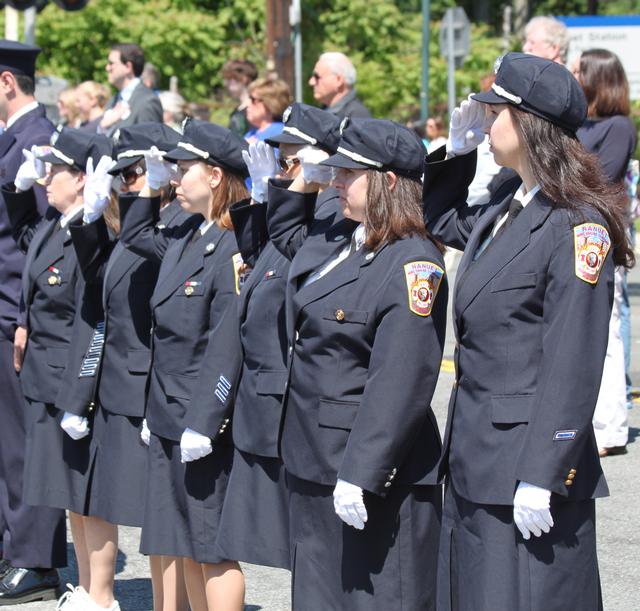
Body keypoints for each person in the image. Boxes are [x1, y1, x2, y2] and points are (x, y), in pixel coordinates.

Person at [422, 51, 633, 611]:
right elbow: (439, 220)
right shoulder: (506, 205)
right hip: (476, 457)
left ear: (529, 124)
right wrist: (457, 152)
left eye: (496, 114)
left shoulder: (576, 225)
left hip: (526, 469)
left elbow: (574, 361)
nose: (486, 124)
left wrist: (545, 472)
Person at [267, 118, 445, 609]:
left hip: (369, 474)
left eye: (349, 173)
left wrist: (363, 472)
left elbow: (402, 380)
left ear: (389, 181)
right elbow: (287, 242)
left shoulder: (412, 263)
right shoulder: (343, 243)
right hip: (313, 458)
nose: (336, 182)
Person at [55, 123, 190, 611]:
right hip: (116, 384)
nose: (127, 183)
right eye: (125, 175)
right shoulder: (140, 223)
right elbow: (99, 281)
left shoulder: (172, 223)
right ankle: (106, 597)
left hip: (147, 390)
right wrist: (89, 218)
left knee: (164, 522)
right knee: (120, 508)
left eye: (134, 173)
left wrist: (147, 195)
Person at [119, 119, 248, 611]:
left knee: (211, 544)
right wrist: (150, 186)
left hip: (200, 415)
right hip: (169, 408)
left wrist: (206, 420)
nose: (175, 176)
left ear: (215, 175)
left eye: (183, 167)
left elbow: (227, 340)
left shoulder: (231, 244)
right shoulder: (186, 234)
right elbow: (135, 233)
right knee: (184, 541)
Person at [211, 103, 343, 572]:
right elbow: (262, 259)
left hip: (309, 398)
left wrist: (287, 193)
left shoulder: (331, 208)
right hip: (275, 392)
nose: (285, 170)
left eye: (291, 159)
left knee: (314, 552)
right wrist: (272, 195)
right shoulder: (309, 206)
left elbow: (293, 256)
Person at [0, 39, 67, 606]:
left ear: (6, 82)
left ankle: (36, 561)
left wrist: (25, 317)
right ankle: (13, 547)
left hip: (14, 314)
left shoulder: (38, 141)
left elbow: (45, 243)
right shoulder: (11, 139)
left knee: (26, 443)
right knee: (6, 444)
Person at [574, 48, 637, 456]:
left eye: (581, 69)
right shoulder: (576, 122)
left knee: (607, 331)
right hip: (574, 230)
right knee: (580, 334)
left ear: (599, 77)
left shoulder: (618, 126)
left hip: (601, 236)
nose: (574, 75)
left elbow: (602, 175)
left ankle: (610, 427)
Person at [100, 43, 162, 136]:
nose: (107, 68)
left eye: (111, 63)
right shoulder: (114, 100)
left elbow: (150, 144)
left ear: (128, 67)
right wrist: (101, 128)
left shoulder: (147, 101)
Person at [308, 52, 371, 118]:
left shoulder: (357, 117)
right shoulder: (325, 111)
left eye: (317, 77)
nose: (311, 82)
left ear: (338, 80)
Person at [244, 77, 291, 144]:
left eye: (253, 100)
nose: (248, 104)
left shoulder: (280, 133)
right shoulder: (251, 133)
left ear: (270, 103)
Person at [221, 59, 258, 137]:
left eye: (230, 79)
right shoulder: (238, 109)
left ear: (244, 79)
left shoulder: (255, 110)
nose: (226, 83)